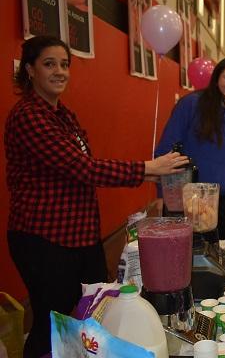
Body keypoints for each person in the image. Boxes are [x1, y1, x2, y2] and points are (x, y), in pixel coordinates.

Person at [4, 35, 189, 358]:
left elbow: (84, 168)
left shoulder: (64, 116)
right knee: (53, 323)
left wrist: (151, 173)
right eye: (49, 64)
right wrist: (147, 167)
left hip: (80, 237)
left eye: (64, 64)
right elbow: (81, 168)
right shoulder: (28, 116)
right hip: (44, 239)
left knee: (89, 315)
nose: (60, 71)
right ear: (30, 70)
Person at [155, 57, 225, 241]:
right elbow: (166, 150)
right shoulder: (191, 104)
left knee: (219, 254)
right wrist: (164, 194)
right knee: (185, 254)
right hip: (186, 201)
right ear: (216, 80)